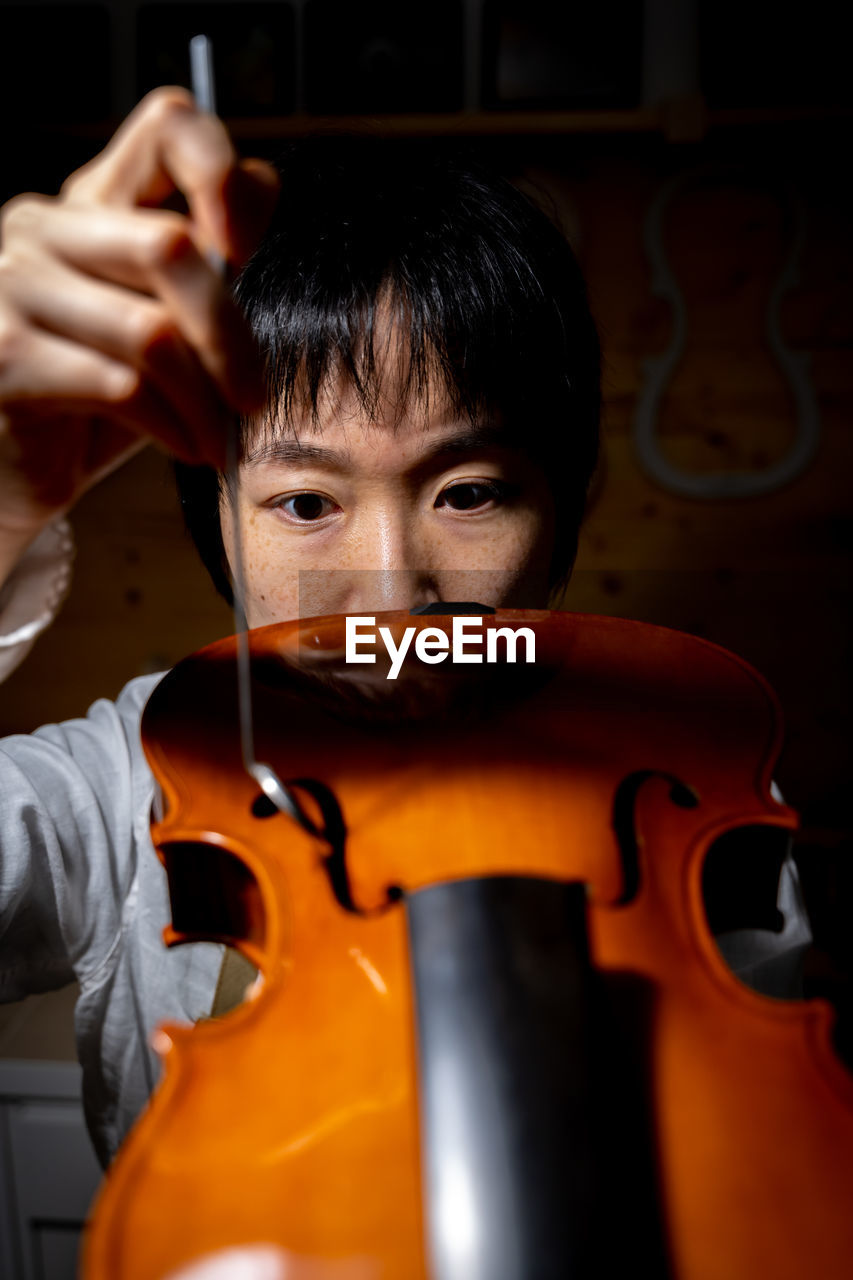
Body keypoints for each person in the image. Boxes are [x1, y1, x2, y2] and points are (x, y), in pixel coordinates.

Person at [0, 89, 810, 1170]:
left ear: (559, 506)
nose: (393, 589)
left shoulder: (688, 796)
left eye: (469, 492)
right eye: (305, 502)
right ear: (219, 522)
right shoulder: (126, 780)